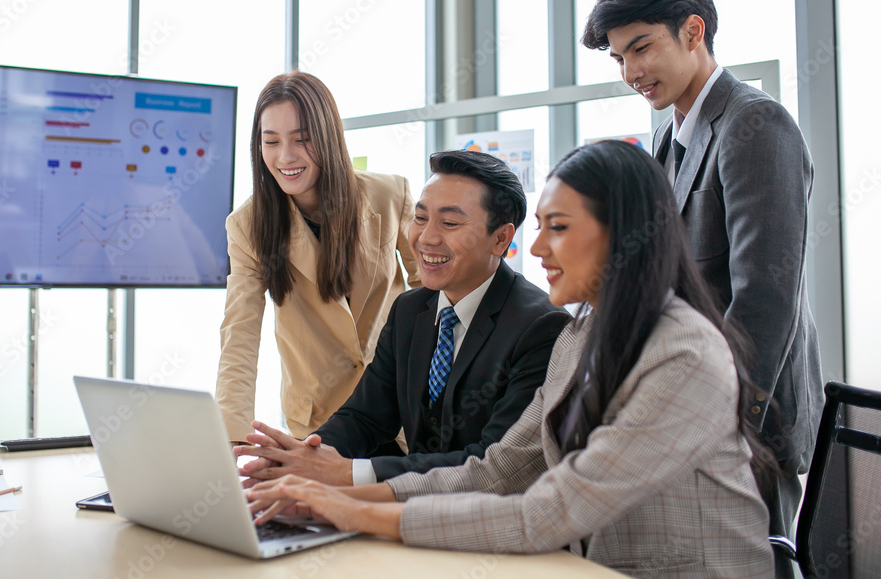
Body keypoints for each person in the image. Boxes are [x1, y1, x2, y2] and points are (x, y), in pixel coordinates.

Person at [247, 141, 775, 577]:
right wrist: (336, 496)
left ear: (623, 235)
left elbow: (550, 512)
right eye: (540, 226)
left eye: (559, 227)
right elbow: (498, 471)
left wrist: (353, 510)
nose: (538, 248)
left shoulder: (683, 354)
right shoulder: (581, 337)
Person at [581, 0, 822, 574]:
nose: (631, 72)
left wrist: (719, 425)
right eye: (619, 58)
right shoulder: (671, 136)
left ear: (693, 31)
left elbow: (765, 299)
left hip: (743, 427)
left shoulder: (755, 123)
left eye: (642, 48)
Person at [234, 150, 570, 485]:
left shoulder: (542, 327)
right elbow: (366, 416)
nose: (426, 238)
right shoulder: (410, 310)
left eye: (450, 223)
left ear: (501, 238)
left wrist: (349, 472)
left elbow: (492, 464)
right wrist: (301, 456)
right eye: (420, 218)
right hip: (410, 507)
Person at [216, 71, 420, 443]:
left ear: (328, 136)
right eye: (271, 141)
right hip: (321, 422)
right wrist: (234, 437)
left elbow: (434, 293)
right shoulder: (247, 226)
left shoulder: (390, 195)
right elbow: (239, 335)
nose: (285, 156)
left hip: (400, 409)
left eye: (302, 139)